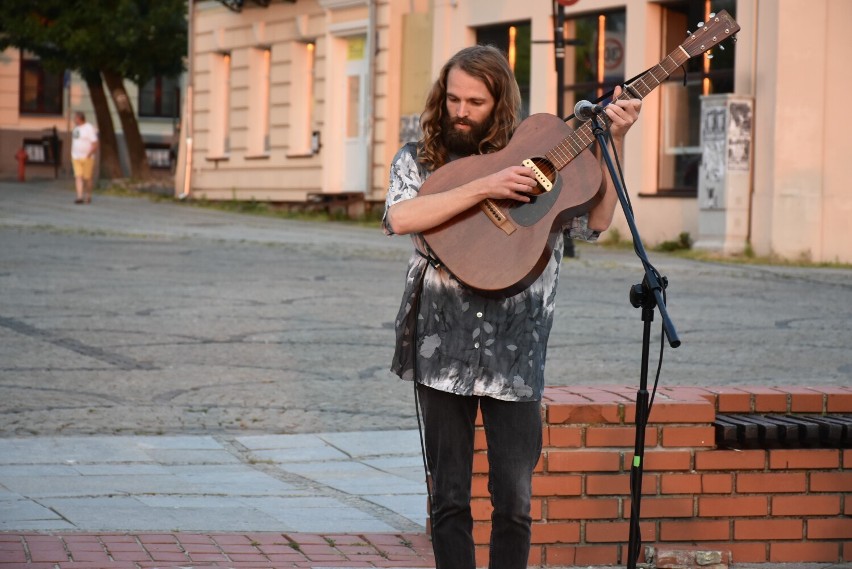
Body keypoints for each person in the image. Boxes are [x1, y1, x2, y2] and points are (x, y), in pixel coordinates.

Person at [382, 45, 642, 569]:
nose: (460, 110)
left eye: (474, 102)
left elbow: (595, 224)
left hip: (516, 351)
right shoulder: (420, 159)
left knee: (515, 504)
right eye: (453, 98)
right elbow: (400, 217)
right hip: (442, 346)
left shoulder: (539, 158)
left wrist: (615, 140)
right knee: (448, 497)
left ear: (501, 103)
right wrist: (488, 186)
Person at [70, 111, 99, 204]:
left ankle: (88, 195)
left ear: (79, 118)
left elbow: (95, 143)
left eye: (75, 118)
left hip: (87, 157)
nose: (74, 120)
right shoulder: (76, 129)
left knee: (87, 178)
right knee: (78, 176)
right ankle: (79, 197)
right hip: (76, 157)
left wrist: (89, 154)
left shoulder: (89, 128)